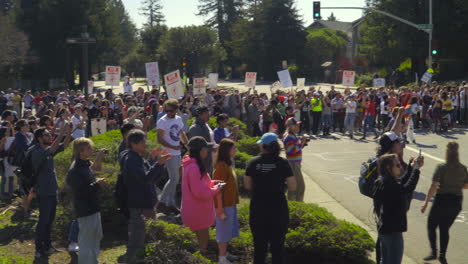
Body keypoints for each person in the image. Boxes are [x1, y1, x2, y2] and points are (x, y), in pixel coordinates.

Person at [244, 133, 297, 264]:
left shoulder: (253, 162)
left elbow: (247, 185)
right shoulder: (283, 163)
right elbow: (293, 187)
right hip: (278, 209)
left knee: (259, 248)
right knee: (278, 248)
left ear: (263, 146)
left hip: (258, 208)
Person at [120, 129, 170, 263]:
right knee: (137, 238)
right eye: (143, 141)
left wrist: (157, 163)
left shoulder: (137, 157)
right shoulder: (131, 159)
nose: (145, 144)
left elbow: (151, 177)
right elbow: (145, 178)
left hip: (144, 203)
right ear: (133, 143)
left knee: (144, 237)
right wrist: (158, 164)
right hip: (140, 204)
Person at [421, 142, 468, 264]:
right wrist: (456, 184)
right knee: (444, 228)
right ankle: (442, 255)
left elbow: (433, 186)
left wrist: (426, 202)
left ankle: (433, 252)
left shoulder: (441, 167)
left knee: (431, 224)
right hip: (456, 201)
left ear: (447, 152)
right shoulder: (463, 168)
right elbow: (466, 185)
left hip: (442, 199)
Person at [373, 153, 424, 264]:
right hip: (393, 232)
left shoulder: (382, 181)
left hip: (384, 228)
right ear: (388, 167)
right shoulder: (389, 184)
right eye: (397, 165)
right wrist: (416, 170)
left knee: (384, 261)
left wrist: (411, 168)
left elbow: (401, 184)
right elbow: (407, 188)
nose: (400, 167)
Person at [32, 125, 72, 258]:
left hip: (52, 191)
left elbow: (63, 146)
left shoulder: (47, 150)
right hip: (43, 192)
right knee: (43, 220)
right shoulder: (37, 151)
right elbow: (54, 147)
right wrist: (60, 133)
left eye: (50, 135)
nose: (50, 137)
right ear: (39, 138)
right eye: (47, 135)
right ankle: (39, 248)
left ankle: (48, 246)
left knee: (50, 220)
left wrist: (68, 132)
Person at [66, 138, 107, 264]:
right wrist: (96, 184)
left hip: (93, 208)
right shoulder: (75, 170)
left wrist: (95, 183)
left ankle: (93, 261)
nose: (91, 149)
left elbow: (93, 173)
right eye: (88, 148)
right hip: (85, 210)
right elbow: (80, 193)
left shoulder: (85, 164)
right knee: (86, 241)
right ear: (80, 151)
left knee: (95, 237)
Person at [181, 136, 223, 253]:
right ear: (200, 150)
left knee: (197, 243)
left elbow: (200, 185)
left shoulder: (191, 165)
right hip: (198, 211)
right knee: (202, 245)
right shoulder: (194, 167)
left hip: (194, 209)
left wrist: (213, 183)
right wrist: (217, 188)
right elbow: (200, 192)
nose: (207, 151)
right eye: (206, 148)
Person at [157, 99, 188, 215]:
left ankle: (168, 203)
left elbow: (181, 133)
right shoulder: (162, 121)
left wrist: (187, 145)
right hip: (168, 152)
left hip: (177, 152)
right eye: (167, 110)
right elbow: (159, 139)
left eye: (171, 110)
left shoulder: (178, 119)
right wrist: (172, 147)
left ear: (176, 110)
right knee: (174, 178)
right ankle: (165, 202)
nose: (169, 113)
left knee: (175, 178)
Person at [214, 138, 240, 264]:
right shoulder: (221, 166)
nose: (235, 150)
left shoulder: (228, 163)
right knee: (223, 233)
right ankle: (222, 258)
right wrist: (219, 209)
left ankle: (226, 253)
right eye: (233, 148)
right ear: (227, 150)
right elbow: (218, 189)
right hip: (224, 205)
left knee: (228, 230)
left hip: (230, 204)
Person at [282, 118, 307, 202]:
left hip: (294, 162)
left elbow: (296, 148)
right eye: (296, 125)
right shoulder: (289, 136)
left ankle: (293, 203)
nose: (298, 126)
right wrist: (302, 142)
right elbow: (291, 150)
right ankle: (297, 204)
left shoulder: (291, 135)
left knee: (294, 185)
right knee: (300, 186)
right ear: (291, 126)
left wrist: (302, 143)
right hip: (293, 163)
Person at [188, 106, 217, 174]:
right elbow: (197, 147)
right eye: (206, 113)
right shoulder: (195, 128)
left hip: (209, 157)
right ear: (200, 115)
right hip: (201, 161)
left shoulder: (205, 125)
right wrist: (210, 149)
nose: (208, 114)